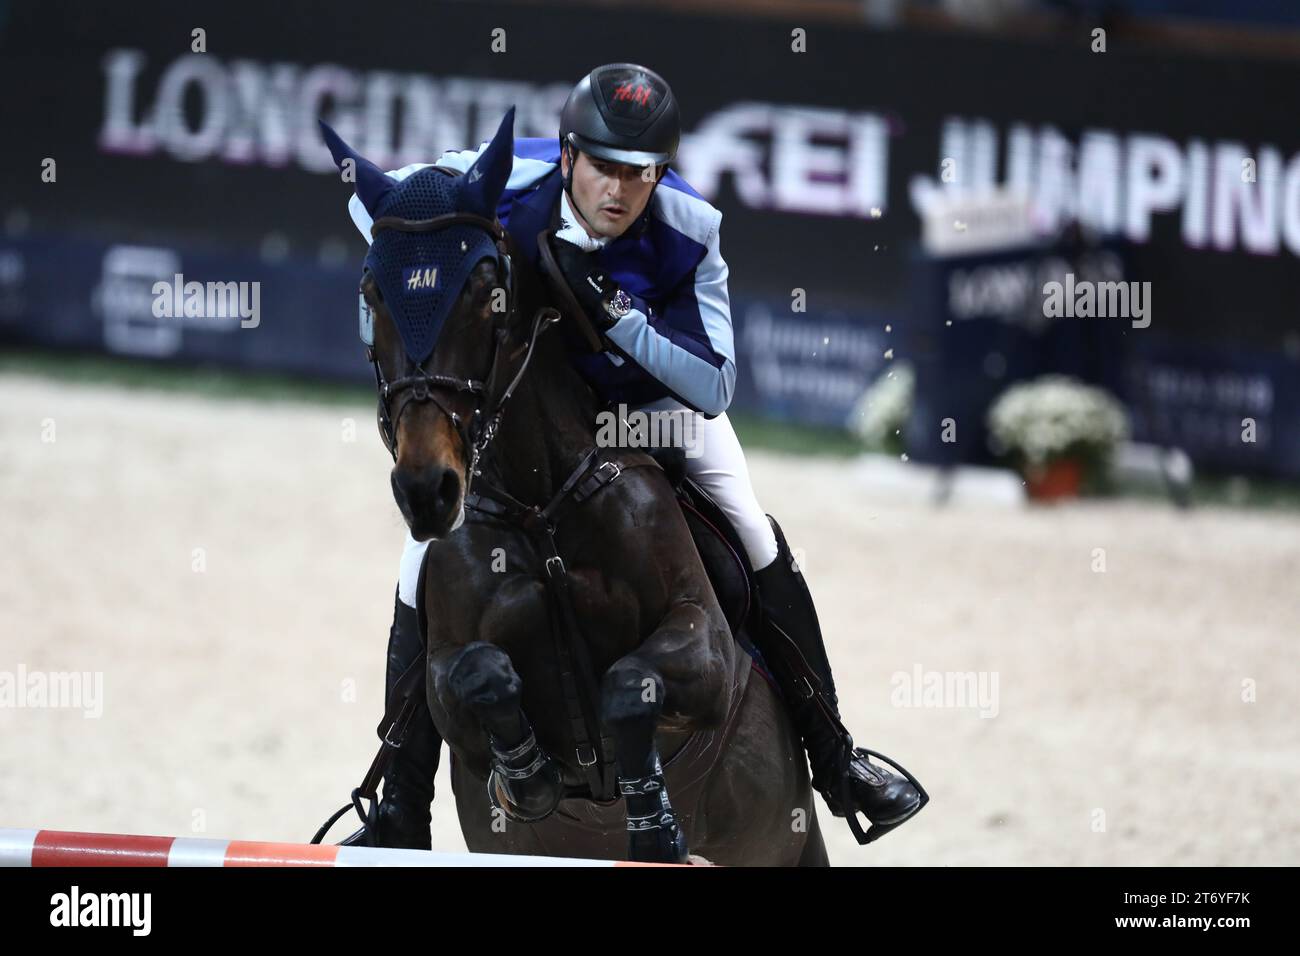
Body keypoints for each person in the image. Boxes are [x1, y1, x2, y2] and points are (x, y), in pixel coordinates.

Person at [345, 63, 922, 849]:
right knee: (423, 558)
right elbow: (381, 203)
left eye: (640, 174)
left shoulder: (690, 226)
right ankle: (402, 802)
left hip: (652, 413)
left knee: (753, 530)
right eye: (603, 169)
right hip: (534, 410)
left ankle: (836, 757)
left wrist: (612, 312)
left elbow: (714, 385)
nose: (617, 192)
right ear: (570, 153)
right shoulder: (510, 175)